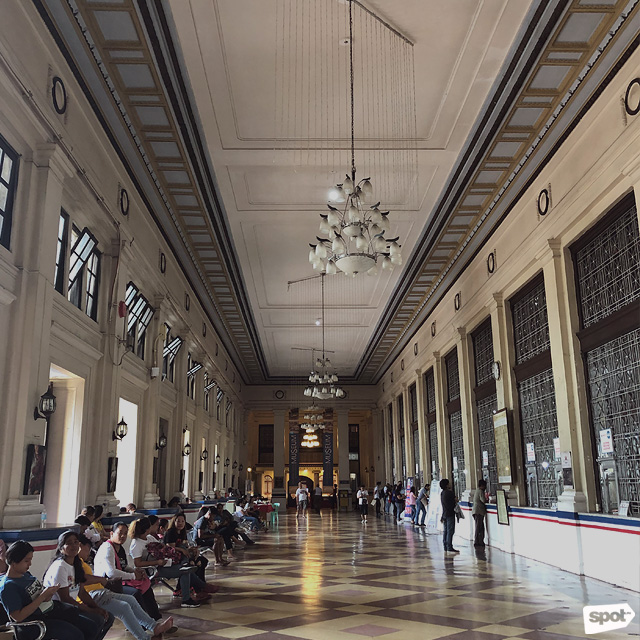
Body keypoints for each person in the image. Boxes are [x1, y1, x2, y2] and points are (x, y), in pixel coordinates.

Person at [76, 534, 173, 640]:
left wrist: (133, 572)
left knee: (130, 599)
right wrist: (101, 579)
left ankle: (154, 627)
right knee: (124, 607)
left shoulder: (82, 561)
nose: (89, 552)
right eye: (88, 548)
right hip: (93, 595)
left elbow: (124, 566)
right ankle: (144, 638)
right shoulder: (78, 562)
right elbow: (84, 578)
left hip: (101, 591)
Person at [1, 540, 92, 640]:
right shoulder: (8, 586)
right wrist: (43, 596)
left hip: (49, 611)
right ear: (14, 562)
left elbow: (38, 597)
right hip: (35, 624)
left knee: (90, 626)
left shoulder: (25, 575)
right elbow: (18, 617)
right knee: (76, 635)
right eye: (26, 561)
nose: (30, 564)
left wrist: (48, 594)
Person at [42, 531, 114, 639]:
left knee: (108, 617)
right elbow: (65, 599)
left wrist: (97, 607)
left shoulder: (76, 564)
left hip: (71, 608)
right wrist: (90, 610)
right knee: (94, 623)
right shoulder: (60, 567)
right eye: (69, 543)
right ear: (61, 547)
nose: (74, 545)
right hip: (59, 610)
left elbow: (81, 592)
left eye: (76, 542)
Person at [129, 518, 213, 607]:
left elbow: (164, 549)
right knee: (185, 571)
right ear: (147, 528)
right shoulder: (137, 544)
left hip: (162, 564)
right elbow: (137, 564)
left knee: (186, 567)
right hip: (152, 569)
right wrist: (157, 562)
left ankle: (195, 587)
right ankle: (190, 596)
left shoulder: (150, 538)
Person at [93, 522, 162, 620]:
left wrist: (135, 571)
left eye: (125, 533)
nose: (123, 536)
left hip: (118, 581)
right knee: (135, 593)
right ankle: (142, 623)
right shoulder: (107, 548)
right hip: (107, 584)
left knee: (146, 587)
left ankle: (156, 618)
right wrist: (133, 576)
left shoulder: (120, 548)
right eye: (120, 533)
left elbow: (124, 566)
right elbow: (111, 573)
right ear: (111, 533)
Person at [164, 513, 209, 580]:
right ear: (174, 522)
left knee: (202, 561)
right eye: (178, 521)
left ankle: (199, 583)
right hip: (173, 556)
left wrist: (193, 550)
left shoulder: (182, 532)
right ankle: (196, 584)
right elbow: (170, 548)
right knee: (192, 564)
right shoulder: (171, 532)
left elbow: (185, 546)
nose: (180, 523)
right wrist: (183, 550)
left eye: (182, 521)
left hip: (183, 554)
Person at [440, 479, 459, 554]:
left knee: (445, 530)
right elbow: (456, 500)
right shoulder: (450, 493)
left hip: (444, 513)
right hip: (450, 513)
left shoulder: (442, 493)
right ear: (447, 485)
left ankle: (445, 546)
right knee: (450, 531)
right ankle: (449, 547)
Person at [472, 479, 488, 547]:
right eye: (484, 486)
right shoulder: (481, 491)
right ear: (482, 486)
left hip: (476, 511)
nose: (485, 487)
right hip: (479, 511)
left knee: (478, 526)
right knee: (479, 527)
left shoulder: (477, 490)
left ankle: (478, 541)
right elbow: (483, 500)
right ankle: (478, 541)